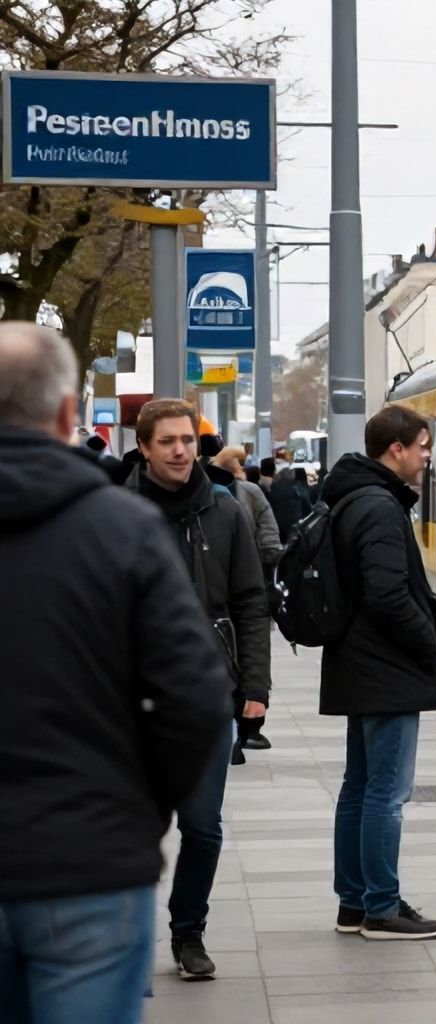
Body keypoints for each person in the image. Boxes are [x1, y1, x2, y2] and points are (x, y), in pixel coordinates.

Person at [0, 324, 234, 1023]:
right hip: (90, 861)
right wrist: (138, 804)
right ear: (71, 414)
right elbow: (194, 695)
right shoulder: (123, 529)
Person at [123, 400, 271, 981]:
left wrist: (254, 684)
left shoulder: (226, 511)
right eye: (167, 442)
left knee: (203, 827)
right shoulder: (116, 513)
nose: (181, 451)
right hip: (131, 702)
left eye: (187, 440)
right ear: (144, 448)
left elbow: (251, 603)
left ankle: (189, 933)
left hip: (209, 694)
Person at [322, 405, 436, 940]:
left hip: (359, 662)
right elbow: (387, 595)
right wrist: (429, 647)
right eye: (422, 445)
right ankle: (381, 906)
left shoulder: (354, 496)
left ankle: (354, 901)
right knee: (386, 793)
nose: (426, 455)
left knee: (360, 786)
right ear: (396, 448)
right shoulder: (379, 506)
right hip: (386, 667)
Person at [216, 445, 283, 752]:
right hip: (249, 581)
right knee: (247, 647)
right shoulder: (250, 493)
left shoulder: (215, 498)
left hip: (224, 591)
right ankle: (247, 728)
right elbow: (270, 538)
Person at [268, 461, 312, 543]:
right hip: (295, 528)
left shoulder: (272, 488)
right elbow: (308, 510)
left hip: (277, 529)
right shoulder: (297, 488)